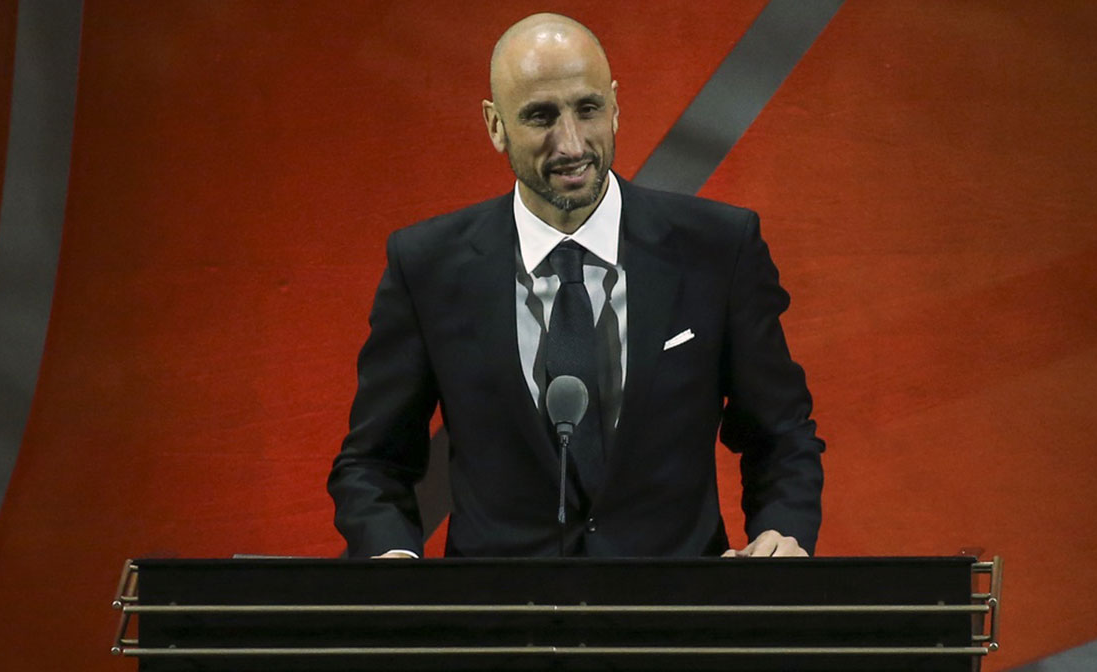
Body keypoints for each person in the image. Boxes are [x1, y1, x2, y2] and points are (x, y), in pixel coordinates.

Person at [328, 13, 824, 559]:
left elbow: (781, 435)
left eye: (587, 109)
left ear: (615, 106)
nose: (570, 144)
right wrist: (392, 560)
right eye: (540, 116)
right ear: (495, 125)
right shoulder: (427, 265)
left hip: (678, 622)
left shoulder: (718, 247)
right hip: (498, 628)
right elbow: (373, 462)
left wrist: (782, 533)